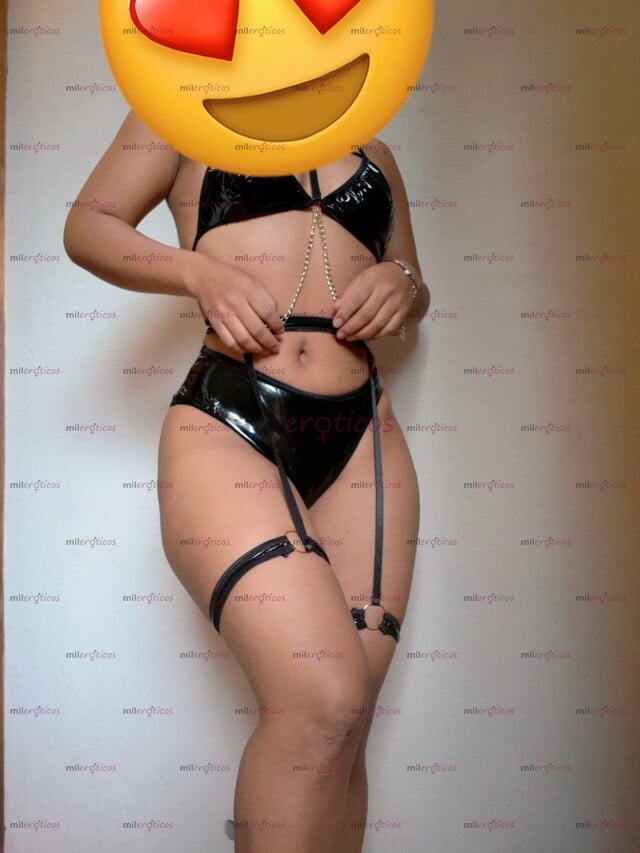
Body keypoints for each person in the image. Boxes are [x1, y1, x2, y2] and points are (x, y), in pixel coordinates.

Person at [64, 108, 429, 853]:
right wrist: (197, 271)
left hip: (363, 433)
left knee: (347, 721)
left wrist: (402, 284)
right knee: (322, 698)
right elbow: (87, 226)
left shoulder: (375, 149)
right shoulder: (178, 115)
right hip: (231, 416)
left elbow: (416, 293)